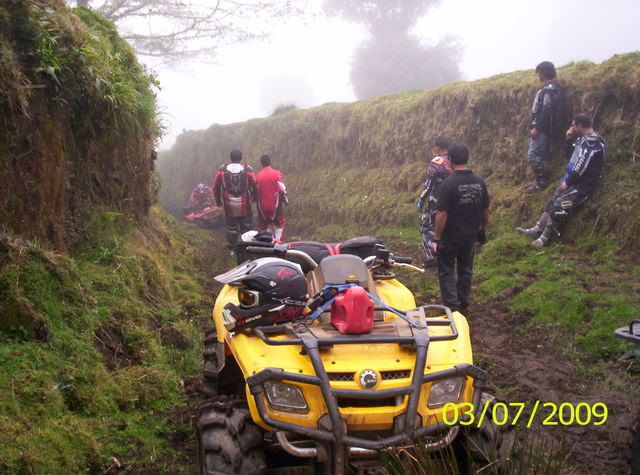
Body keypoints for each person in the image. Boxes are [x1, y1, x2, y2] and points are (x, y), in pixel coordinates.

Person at [517, 113, 605, 248]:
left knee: (560, 205)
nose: (572, 128)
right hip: (574, 179)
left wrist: (568, 182)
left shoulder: (593, 143)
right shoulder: (582, 139)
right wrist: (569, 139)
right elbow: (571, 157)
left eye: (573, 125)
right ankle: (538, 228)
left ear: (580, 125)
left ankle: (545, 238)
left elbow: (581, 166)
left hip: (584, 184)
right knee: (551, 202)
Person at [432, 144, 490, 311]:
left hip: (450, 236)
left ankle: (452, 305)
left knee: (447, 270)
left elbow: (442, 214)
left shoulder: (448, 184)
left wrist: (436, 237)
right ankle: (463, 301)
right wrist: (482, 231)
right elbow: (486, 210)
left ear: (449, 160)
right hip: (471, 235)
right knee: (466, 269)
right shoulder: (480, 182)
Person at [525, 61, 562, 192]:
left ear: (544, 73)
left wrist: (537, 127)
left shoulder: (550, 89)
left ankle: (541, 183)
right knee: (541, 156)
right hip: (544, 127)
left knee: (533, 155)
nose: (538, 76)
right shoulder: (549, 88)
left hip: (544, 129)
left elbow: (547, 111)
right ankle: (539, 181)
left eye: (539, 73)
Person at [417, 137, 453, 267]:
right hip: (455, 201)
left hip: (437, 201)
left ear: (437, 147)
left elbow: (429, 184)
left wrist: (422, 199)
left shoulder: (436, 162)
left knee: (426, 227)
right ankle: (449, 255)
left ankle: (431, 257)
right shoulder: (456, 160)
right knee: (448, 228)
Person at [212, 149, 257, 248]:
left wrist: (218, 200)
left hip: (229, 204)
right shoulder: (247, 169)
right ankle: (247, 247)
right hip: (245, 203)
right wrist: (254, 198)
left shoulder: (222, 170)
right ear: (241, 158)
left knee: (231, 226)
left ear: (230, 158)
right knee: (247, 226)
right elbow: (255, 184)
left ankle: (233, 248)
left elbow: (215, 186)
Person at [255, 154, 288, 241]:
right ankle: (277, 243)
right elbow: (282, 189)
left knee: (264, 225)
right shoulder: (277, 174)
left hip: (262, 207)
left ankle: (267, 244)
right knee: (279, 223)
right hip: (275, 206)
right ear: (271, 162)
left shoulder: (257, 176)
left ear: (261, 164)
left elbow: (254, 192)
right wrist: (285, 200)